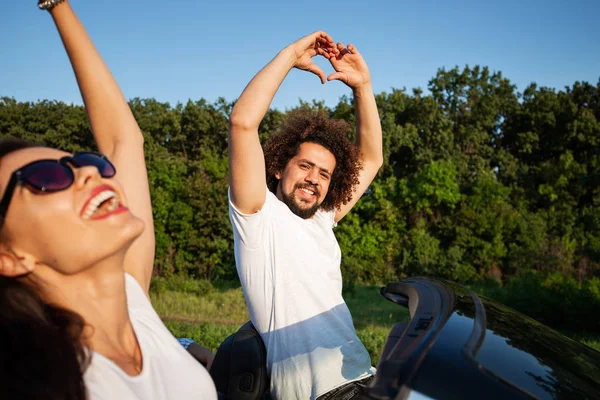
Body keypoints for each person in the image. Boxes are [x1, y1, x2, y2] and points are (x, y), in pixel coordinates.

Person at [0, 1, 217, 399]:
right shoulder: (39, 379)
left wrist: (58, 5)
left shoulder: (135, 303)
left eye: (81, 160)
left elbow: (123, 141)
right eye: (47, 177)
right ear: (9, 256)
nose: (87, 171)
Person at [228, 31, 384, 399]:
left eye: (325, 173)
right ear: (280, 168)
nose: (314, 178)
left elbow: (372, 158)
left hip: (365, 378)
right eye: (306, 166)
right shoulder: (257, 217)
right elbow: (242, 123)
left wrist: (363, 88)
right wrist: (289, 56)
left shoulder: (322, 219)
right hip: (320, 395)